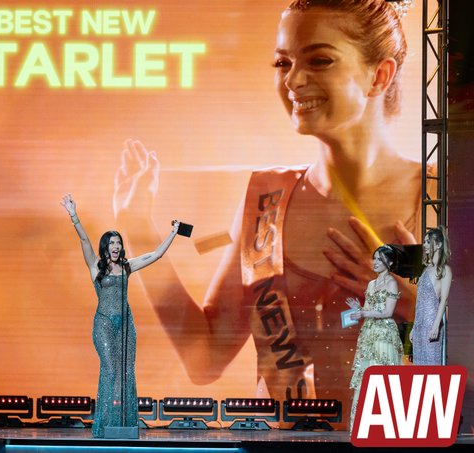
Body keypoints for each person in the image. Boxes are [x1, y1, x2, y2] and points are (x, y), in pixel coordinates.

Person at [113, 0, 422, 425]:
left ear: (379, 75)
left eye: (319, 60)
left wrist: (417, 309)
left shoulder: (443, 198)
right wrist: (138, 229)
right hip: (281, 445)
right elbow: (205, 357)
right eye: (282, 63)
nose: (293, 80)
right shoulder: (266, 199)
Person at [60, 194, 179, 438]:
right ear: (105, 247)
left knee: (126, 372)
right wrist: (73, 215)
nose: (116, 246)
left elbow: (156, 254)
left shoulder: (127, 266)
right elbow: (84, 239)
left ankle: (125, 423)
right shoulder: (95, 266)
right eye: (112, 243)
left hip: (125, 325)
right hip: (104, 324)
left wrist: (174, 232)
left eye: (118, 243)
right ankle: (105, 424)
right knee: (110, 370)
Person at [346, 245, 404, 428]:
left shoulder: (392, 283)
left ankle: (386, 426)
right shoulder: (371, 284)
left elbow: (387, 312)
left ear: (390, 263)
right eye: (375, 258)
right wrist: (358, 309)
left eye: (380, 259)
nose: (375, 262)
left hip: (384, 334)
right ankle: (363, 425)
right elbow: (368, 310)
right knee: (366, 375)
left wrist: (364, 313)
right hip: (369, 333)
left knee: (382, 376)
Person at [410, 226, 452, 365]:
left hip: (431, 323)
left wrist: (435, 326)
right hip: (420, 324)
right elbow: (419, 302)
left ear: (438, 245)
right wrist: (414, 327)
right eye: (424, 242)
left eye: (428, 242)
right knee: (419, 367)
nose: (425, 245)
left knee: (432, 365)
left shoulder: (444, 270)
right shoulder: (426, 269)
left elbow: (443, 300)